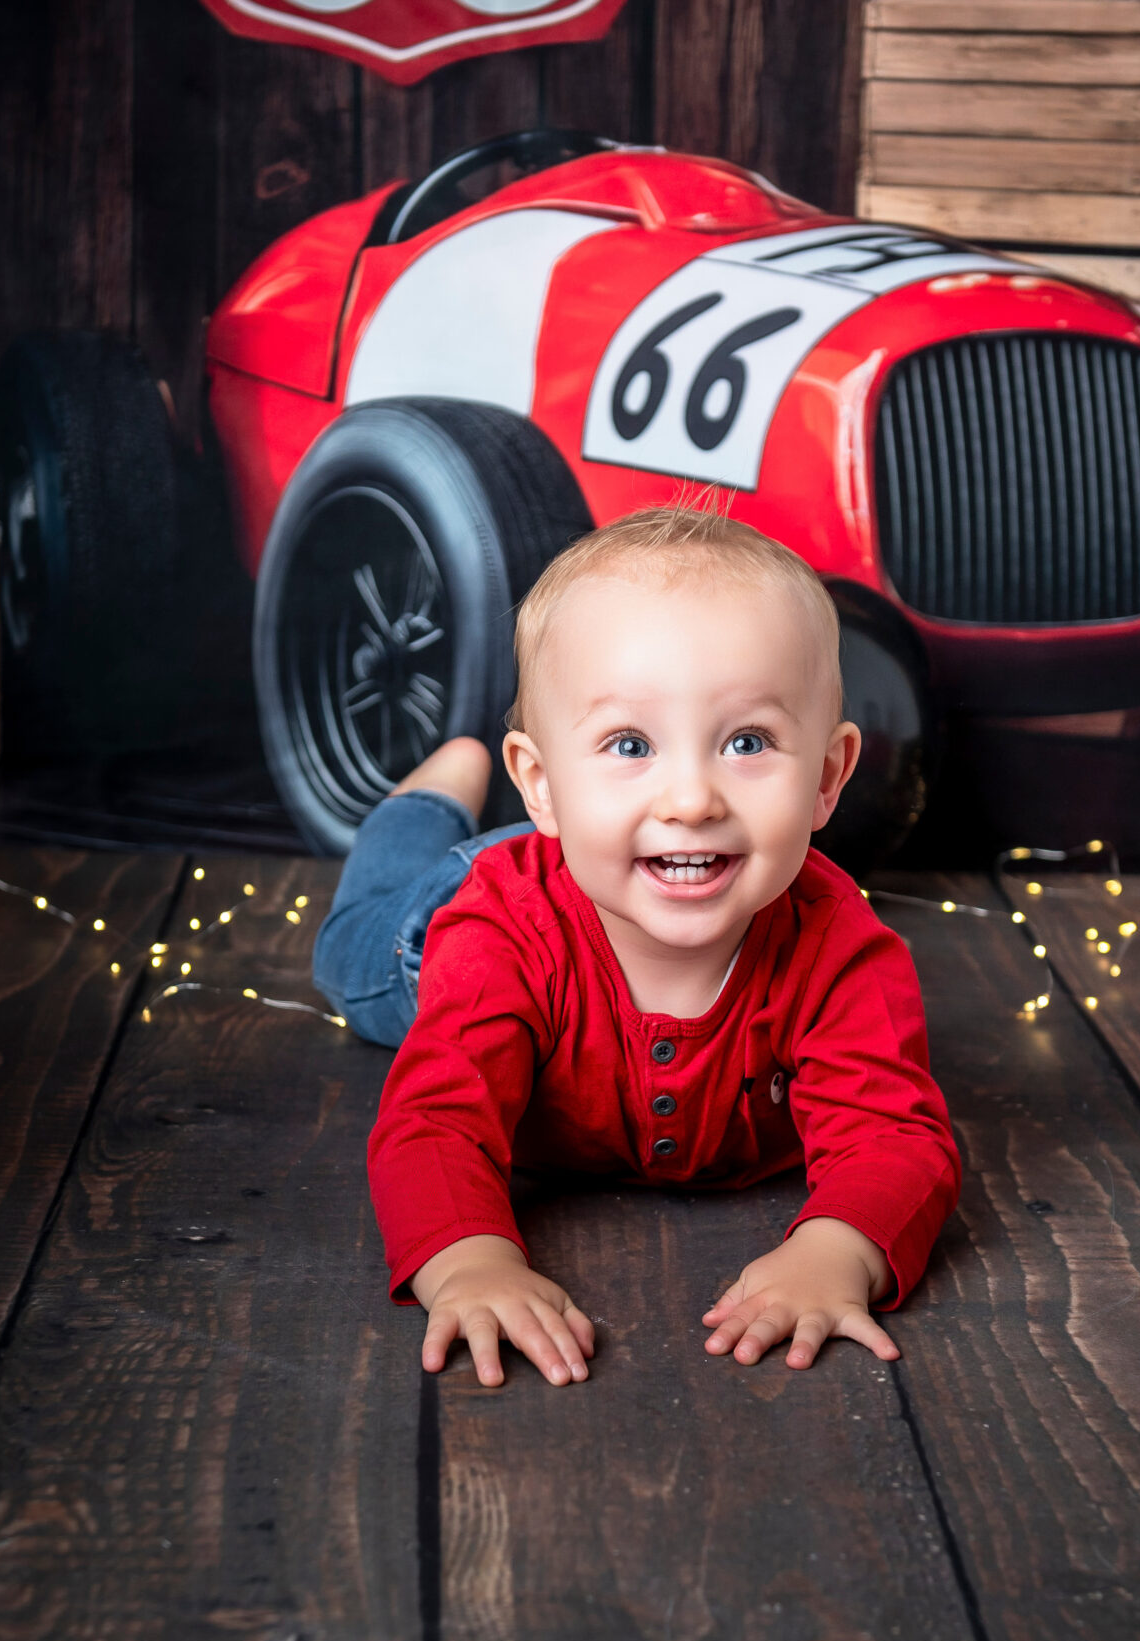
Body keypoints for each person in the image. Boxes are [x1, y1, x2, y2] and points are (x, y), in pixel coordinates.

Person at [311, 505, 960, 1388]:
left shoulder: (837, 945)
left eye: (746, 742)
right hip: (444, 921)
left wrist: (834, 1250)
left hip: (611, 851)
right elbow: (435, 1120)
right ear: (540, 782)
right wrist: (468, 1261)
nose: (690, 799)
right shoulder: (498, 933)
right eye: (630, 744)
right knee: (351, 959)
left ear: (827, 776)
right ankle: (423, 803)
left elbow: (895, 1135)